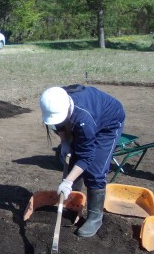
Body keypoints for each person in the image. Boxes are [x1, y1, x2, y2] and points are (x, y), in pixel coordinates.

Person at [39, 85, 125, 237]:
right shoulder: (54, 100)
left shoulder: (84, 119)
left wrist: (67, 182)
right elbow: (59, 124)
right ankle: (73, 201)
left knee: (95, 172)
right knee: (73, 161)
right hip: (85, 118)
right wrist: (65, 142)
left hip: (108, 125)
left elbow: (87, 156)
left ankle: (95, 217)